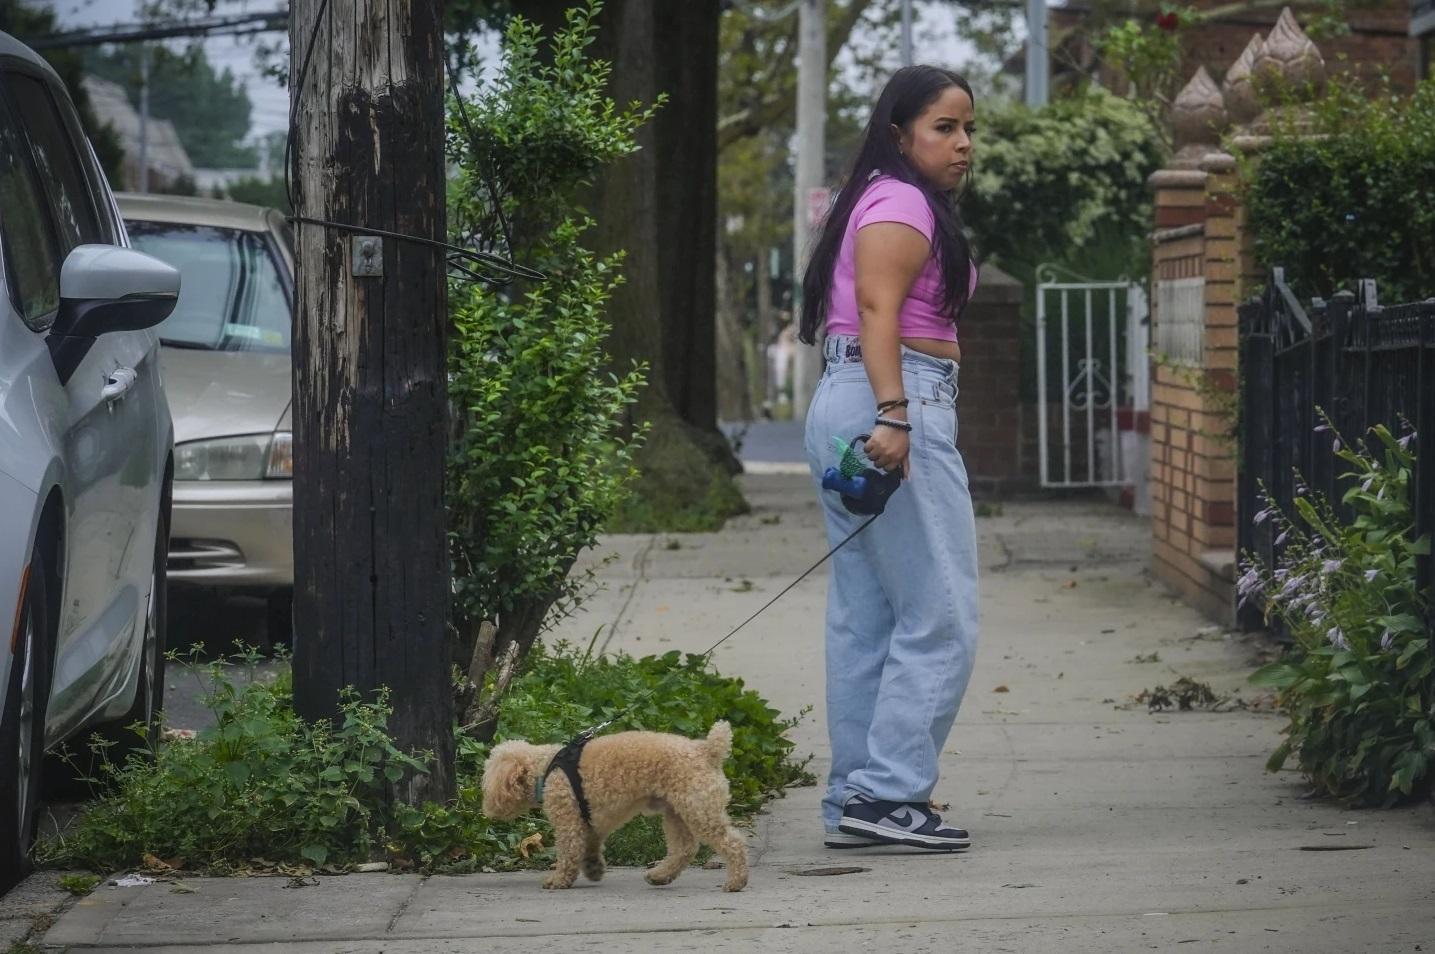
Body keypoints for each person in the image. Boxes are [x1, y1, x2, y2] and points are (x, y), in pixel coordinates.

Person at [800, 65, 980, 851]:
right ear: (899, 133)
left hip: (853, 396)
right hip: (890, 400)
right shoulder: (902, 202)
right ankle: (889, 792)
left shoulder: (877, 197)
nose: (962, 143)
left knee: (866, 617)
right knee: (940, 613)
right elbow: (878, 308)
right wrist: (895, 413)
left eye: (968, 128)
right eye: (945, 127)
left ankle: (855, 799)